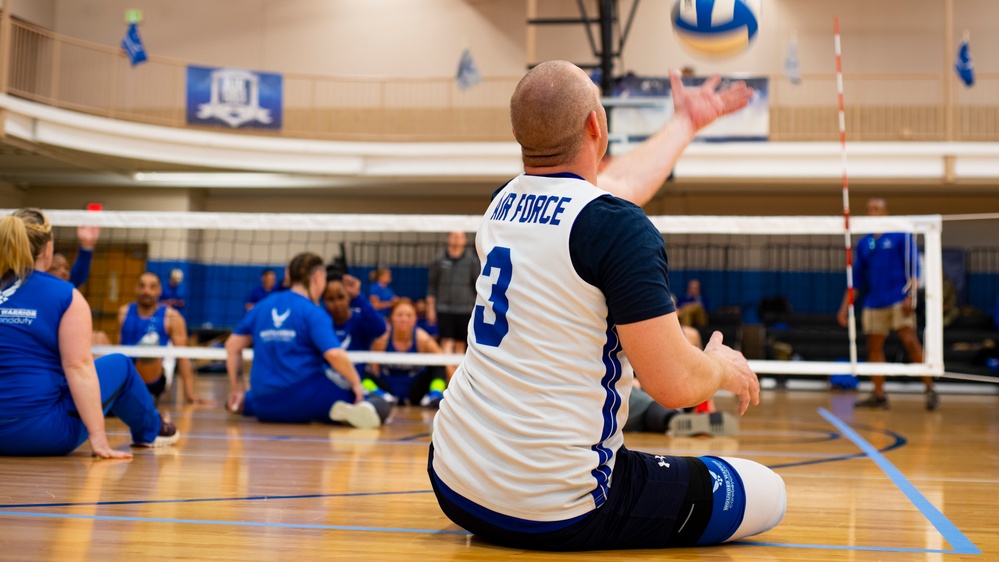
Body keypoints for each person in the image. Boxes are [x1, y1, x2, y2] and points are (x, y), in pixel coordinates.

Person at [429, 61, 784, 551]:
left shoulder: (501, 204)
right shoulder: (618, 229)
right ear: (597, 125)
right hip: (561, 508)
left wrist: (685, 123)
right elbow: (673, 384)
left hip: (452, 478)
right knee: (767, 492)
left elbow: (598, 200)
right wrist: (720, 366)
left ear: (520, 134)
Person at [0, 208, 178, 457]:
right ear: (48, 248)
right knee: (120, 364)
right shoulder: (66, 296)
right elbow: (78, 367)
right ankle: (152, 429)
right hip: (43, 434)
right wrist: (98, 438)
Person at [225, 252, 391, 428]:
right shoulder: (313, 312)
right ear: (318, 276)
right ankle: (347, 409)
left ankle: (242, 403)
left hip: (263, 404)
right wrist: (357, 385)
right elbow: (334, 354)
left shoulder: (263, 305)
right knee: (379, 404)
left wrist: (237, 390)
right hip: (303, 397)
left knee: (249, 399)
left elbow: (232, 346)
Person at [837, 197, 937, 411]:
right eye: (869, 209)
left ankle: (929, 388)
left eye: (876, 209)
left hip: (899, 299)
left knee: (910, 341)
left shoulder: (901, 235)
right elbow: (856, 279)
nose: (872, 212)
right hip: (874, 302)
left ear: (885, 212)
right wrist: (845, 307)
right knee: (874, 346)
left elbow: (914, 269)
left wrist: (911, 295)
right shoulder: (865, 243)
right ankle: (879, 394)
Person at [626, 326, 738, 437]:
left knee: (644, 409)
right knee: (645, 409)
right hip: (672, 394)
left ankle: (675, 419)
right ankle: (675, 418)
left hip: (662, 393)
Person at [118, 272, 211, 405]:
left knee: (148, 345)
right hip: (127, 374)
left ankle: (142, 394)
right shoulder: (124, 312)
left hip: (154, 378)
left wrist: (190, 394)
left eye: (152, 287)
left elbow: (183, 357)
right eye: (142, 286)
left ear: (159, 290)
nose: (146, 291)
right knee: (98, 338)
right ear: (136, 288)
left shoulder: (172, 316)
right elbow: (119, 348)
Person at [370, 298, 452, 407]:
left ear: (415, 319)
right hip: (388, 390)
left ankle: (434, 396)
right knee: (362, 372)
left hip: (415, 392)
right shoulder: (382, 341)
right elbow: (373, 370)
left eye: (409, 315)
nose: (404, 319)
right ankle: (379, 395)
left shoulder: (423, 339)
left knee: (439, 365)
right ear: (392, 317)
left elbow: (446, 363)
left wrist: (460, 391)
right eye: (399, 315)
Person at [323, 269, 388, 388]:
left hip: (358, 383)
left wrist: (359, 297)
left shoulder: (359, 319)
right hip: (326, 385)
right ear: (324, 300)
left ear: (349, 297)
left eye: (341, 297)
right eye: (330, 299)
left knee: (380, 402)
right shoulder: (320, 323)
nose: (337, 303)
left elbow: (380, 329)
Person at [426, 231, 480, 356]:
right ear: (448, 238)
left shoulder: (471, 261)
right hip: (444, 308)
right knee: (446, 342)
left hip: (465, 308)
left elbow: (476, 286)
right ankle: (448, 374)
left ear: (464, 240)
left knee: (461, 343)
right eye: (454, 236)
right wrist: (430, 308)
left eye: (460, 236)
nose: (456, 239)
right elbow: (432, 286)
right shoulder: (439, 260)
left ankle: (459, 374)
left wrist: (477, 309)